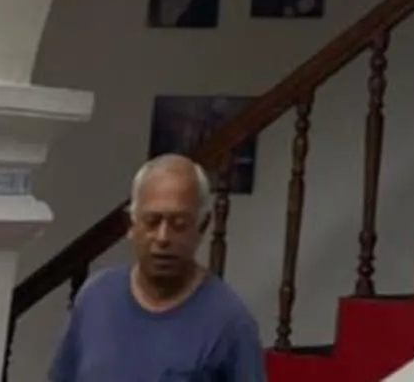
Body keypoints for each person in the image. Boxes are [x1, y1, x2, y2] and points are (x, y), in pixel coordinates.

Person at [49, 155, 264, 380]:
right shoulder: (94, 298)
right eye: (151, 221)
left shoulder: (231, 323)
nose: (163, 237)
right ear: (130, 224)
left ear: (202, 226)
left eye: (179, 225)